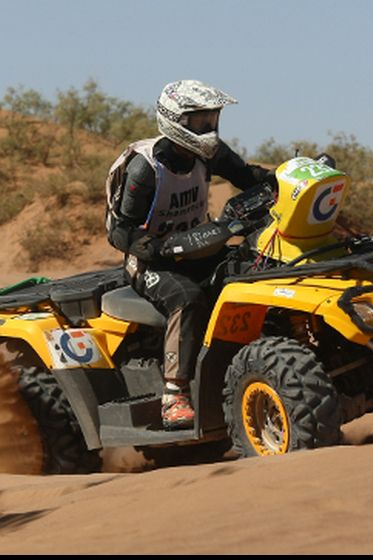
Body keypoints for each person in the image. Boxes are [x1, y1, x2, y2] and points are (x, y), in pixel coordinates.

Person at [107, 79, 272, 429]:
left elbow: (248, 176)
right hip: (149, 263)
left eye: (211, 121)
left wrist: (284, 180)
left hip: (200, 248)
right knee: (188, 297)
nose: (209, 129)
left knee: (253, 268)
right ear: (175, 121)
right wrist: (157, 247)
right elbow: (120, 231)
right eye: (200, 122)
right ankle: (174, 396)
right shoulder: (145, 168)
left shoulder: (207, 153)